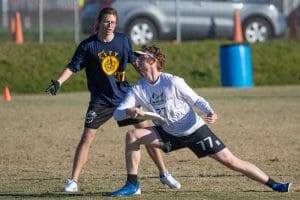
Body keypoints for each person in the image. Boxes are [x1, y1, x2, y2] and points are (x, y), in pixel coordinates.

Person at [110, 45, 292, 196]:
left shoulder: (172, 82)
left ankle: (275, 184)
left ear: (152, 61)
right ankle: (133, 185)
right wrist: (129, 111)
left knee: (232, 162)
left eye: (141, 58)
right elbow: (117, 114)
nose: (137, 61)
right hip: (168, 133)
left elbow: (196, 100)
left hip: (194, 130)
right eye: (137, 58)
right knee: (133, 135)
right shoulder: (137, 89)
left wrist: (210, 111)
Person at [45, 7, 180, 192]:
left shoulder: (123, 41)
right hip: (100, 100)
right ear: (99, 23)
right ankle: (73, 182)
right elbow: (73, 66)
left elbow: (135, 62)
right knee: (87, 137)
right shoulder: (88, 46)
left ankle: (164, 174)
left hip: (125, 96)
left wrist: (153, 80)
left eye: (113, 22)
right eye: (107, 22)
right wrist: (59, 82)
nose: (110, 25)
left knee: (145, 133)